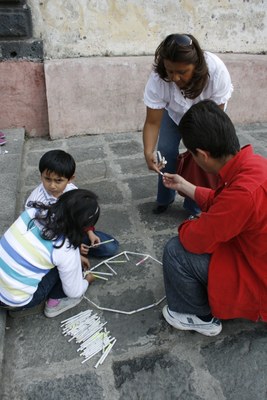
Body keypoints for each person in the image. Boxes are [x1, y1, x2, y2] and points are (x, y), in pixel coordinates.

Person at [161, 100, 267, 336]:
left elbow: (194, 240)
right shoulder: (254, 165)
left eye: (191, 154)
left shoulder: (242, 195)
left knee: (176, 250)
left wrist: (197, 221)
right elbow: (225, 203)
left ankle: (197, 315)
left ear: (202, 155)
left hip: (258, 279)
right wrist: (186, 186)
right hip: (258, 256)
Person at [143, 33, 233, 214]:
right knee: (165, 151)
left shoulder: (216, 71)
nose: (175, 78)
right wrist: (148, 152)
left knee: (200, 159)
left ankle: (195, 205)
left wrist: (196, 148)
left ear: (197, 66)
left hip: (205, 118)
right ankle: (164, 198)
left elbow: (214, 118)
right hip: (174, 114)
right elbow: (152, 122)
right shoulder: (158, 78)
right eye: (170, 71)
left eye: (182, 72)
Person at [0, 189, 100, 318]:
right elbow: (74, 291)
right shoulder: (64, 248)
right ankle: (55, 302)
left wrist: (76, 257)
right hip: (13, 301)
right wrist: (86, 280)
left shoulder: (32, 213)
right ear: (83, 227)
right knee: (68, 271)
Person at [25, 149, 119, 258]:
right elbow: (44, 236)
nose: (52, 185)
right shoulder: (35, 203)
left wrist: (90, 232)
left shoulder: (72, 190)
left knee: (111, 247)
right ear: (41, 175)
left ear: (70, 179)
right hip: (48, 240)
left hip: (70, 231)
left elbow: (80, 214)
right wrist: (74, 248)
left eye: (58, 180)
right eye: (47, 179)